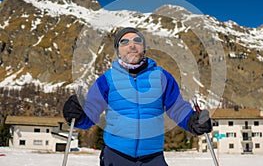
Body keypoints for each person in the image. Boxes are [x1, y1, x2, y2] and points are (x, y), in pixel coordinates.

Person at [63, 27, 212, 166]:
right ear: (118, 51)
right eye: (124, 42)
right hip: (116, 156)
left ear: (144, 48)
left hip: (153, 157)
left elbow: (177, 108)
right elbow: (91, 113)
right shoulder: (107, 80)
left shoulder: (161, 77)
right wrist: (78, 114)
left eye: (137, 41)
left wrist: (193, 121)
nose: (132, 45)